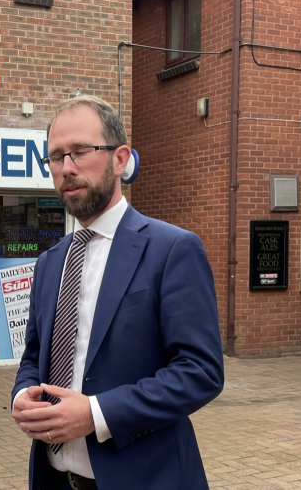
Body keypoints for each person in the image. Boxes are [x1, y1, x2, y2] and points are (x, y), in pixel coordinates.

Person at [11, 96, 224, 490]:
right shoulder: (49, 263)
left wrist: (96, 413)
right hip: (54, 478)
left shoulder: (172, 249)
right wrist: (23, 394)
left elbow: (201, 372)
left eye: (80, 152)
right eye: (56, 157)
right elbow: (33, 357)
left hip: (145, 478)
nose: (67, 169)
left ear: (121, 159)